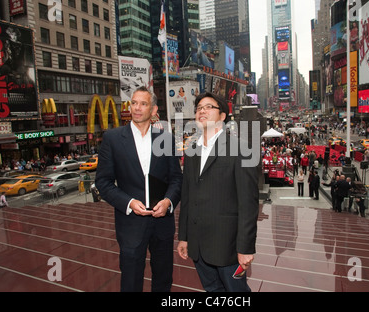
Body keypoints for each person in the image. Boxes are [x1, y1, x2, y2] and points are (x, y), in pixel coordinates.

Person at [95, 87, 183, 292]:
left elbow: (176, 179)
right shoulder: (113, 138)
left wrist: (168, 201)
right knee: (131, 280)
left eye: (143, 104)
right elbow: (103, 182)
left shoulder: (166, 139)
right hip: (130, 225)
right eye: (133, 102)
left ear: (153, 110)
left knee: (163, 279)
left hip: (162, 223)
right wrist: (129, 203)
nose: (136, 107)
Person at [177, 92, 259, 292]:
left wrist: (246, 248)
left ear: (222, 116)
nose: (201, 111)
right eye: (198, 108)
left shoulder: (240, 149)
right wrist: (184, 236)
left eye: (208, 107)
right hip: (198, 246)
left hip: (228, 247)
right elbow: (187, 197)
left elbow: (248, 203)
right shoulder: (191, 151)